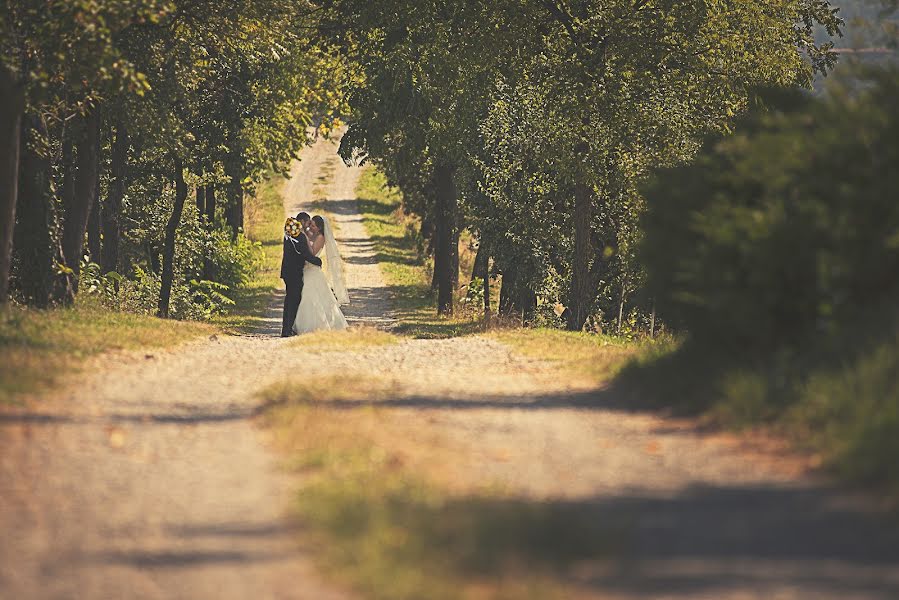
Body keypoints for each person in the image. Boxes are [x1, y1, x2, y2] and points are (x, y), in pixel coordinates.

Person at [293, 215, 349, 334]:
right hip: (306, 269)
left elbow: (312, 253)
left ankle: (315, 325)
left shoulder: (320, 237)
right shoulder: (311, 234)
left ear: (319, 228)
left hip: (313, 270)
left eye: (313, 225)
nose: (310, 227)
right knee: (305, 296)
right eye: (310, 224)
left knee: (310, 296)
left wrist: (305, 239)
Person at [280, 212, 322, 337]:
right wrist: (317, 261)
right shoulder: (299, 236)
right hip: (294, 272)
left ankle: (286, 328)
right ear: (303, 221)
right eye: (308, 223)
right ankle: (288, 329)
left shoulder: (289, 231)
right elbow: (305, 254)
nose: (308, 226)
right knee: (294, 300)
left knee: (289, 300)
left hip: (287, 271)